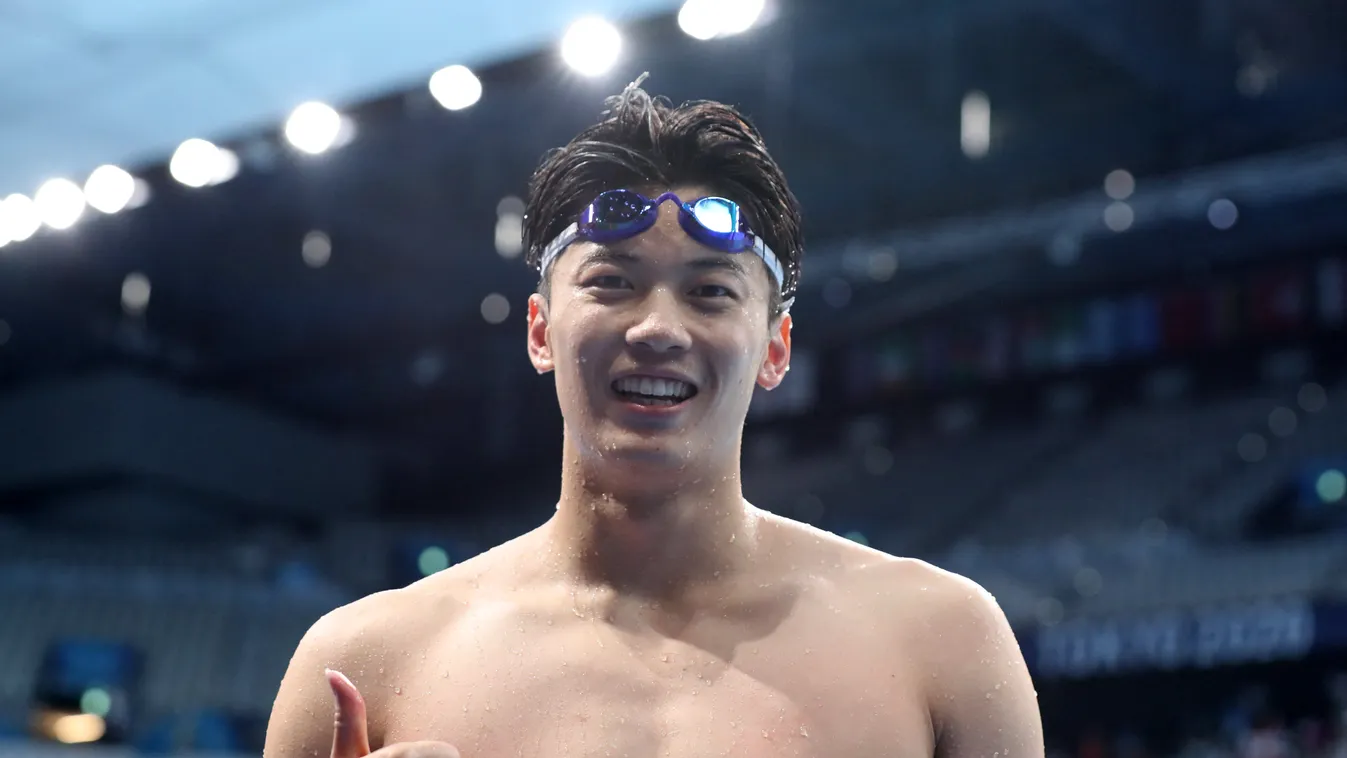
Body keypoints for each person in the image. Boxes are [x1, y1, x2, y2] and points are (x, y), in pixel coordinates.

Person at [263, 78, 1045, 758]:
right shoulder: (366, 662)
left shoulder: (943, 646)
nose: (658, 327)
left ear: (775, 348)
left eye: (709, 291)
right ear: (539, 330)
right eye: (611, 282)